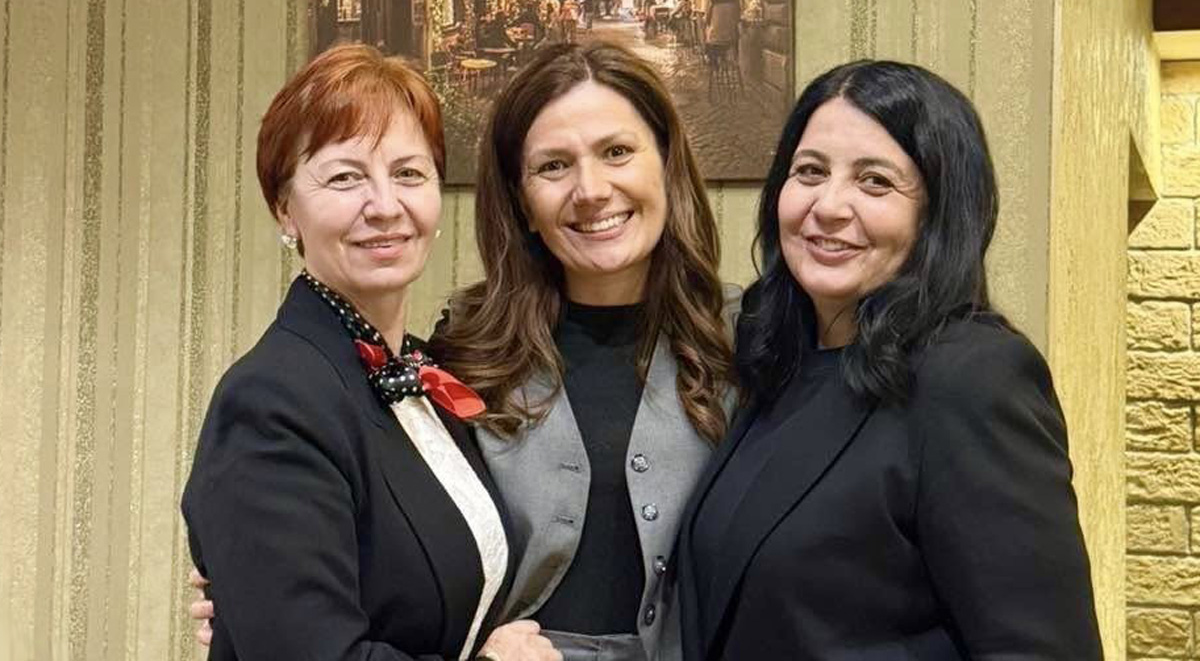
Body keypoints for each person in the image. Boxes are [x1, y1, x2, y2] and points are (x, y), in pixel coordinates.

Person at [674, 60, 1103, 659]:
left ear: (938, 212)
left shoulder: (973, 378)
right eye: (810, 171)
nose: (828, 205)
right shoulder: (780, 362)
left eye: (875, 182)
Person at [181, 43, 560, 661]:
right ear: (285, 209)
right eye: (345, 177)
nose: (385, 207)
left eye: (409, 174)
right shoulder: (271, 401)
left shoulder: (424, 371)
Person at [430, 41, 737, 661]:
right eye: (553, 166)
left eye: (617, 152)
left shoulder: (748, 338)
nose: (591, 190)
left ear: (666, 163)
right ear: (522, 200)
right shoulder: (462, 351)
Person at [704, 0, 739, 65]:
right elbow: (737, 16)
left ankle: (714, 66)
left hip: (716, 39)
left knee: (709, 43)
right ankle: (726, 62)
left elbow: (707, 19)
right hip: (731, 36)